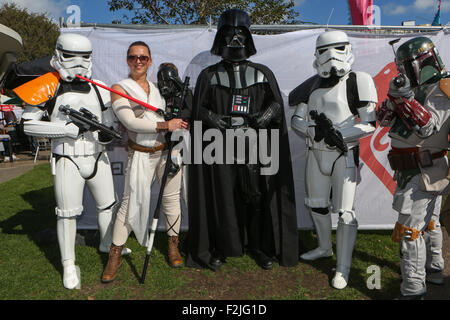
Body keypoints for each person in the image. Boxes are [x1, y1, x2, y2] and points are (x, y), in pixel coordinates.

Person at [185, 8, 298, 271]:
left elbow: (277, 105)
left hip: (255, 146)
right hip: (218, 147)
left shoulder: (262, 73)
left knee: (256, 196)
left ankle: (259, 246)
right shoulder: (209, 76)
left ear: (248, 36)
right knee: (223, 195)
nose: (234, 38)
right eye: (228, 32)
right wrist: (211, 117)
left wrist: (266, 115)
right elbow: (198, 108)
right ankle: (222, 246)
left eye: (240, 32)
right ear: (220, 36)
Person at [19, 33, 129, 289]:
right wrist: (64, 130)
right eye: (71, 56)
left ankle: (106, 243)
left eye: (85, 57)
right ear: (58, 55)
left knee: (108, 205)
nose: (78, 63)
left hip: (96, 155)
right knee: (67, 214)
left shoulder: (100, 86)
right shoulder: (47, 85)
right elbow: (27, 125)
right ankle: (69, 264)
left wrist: (104, 134)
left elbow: (108, 122)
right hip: (68, 157)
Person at [289, 30, 377, 289]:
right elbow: (297, 118)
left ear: (347, 49)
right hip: (315, 152)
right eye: (324, 50)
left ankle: (343, 267)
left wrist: (339, 134)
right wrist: (311, 131)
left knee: (345, 213)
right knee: (316, 204)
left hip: (344, 153)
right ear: (316, 55)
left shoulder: (358, 80)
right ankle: (324, 247)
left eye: (338, 48)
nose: (331, 56)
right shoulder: (311, 84)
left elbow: (369, 123)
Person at [101, 42, 189, 283]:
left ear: (150, 61)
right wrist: (164, 124)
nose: (138, 61)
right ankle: (115, 254)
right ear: (127, 60)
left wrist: (180, 121)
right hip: (141, 155)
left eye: (143, 57)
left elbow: (177, 112)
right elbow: (130, 122)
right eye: (133, 57)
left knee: (172, 201)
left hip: (168, 151)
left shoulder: (160, 88)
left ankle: (173, 246)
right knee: (130, 205)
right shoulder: (120, 88)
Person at [376, 36, 449, 299]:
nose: (404, 73)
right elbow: (382, 119)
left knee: (410, 230)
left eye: (407, 66)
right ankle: (434, 270)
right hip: (413, 170)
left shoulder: (443, 88)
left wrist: (405, 98)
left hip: (425, 169)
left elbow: (428, 126)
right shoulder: (413, 90)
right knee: (429, 223)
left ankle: (413, 289)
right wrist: (396, 97)